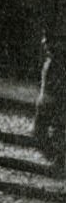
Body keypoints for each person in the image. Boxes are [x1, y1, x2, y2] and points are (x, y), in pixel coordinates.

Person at [35, 38, 66, 166]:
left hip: (53, 102)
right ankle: (53, 157)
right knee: (39, 132)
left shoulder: (58, 63)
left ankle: (58, 159)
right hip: (46, 101)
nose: (44, 43)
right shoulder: (49, 61)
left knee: (56, 133)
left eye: (48, 42)